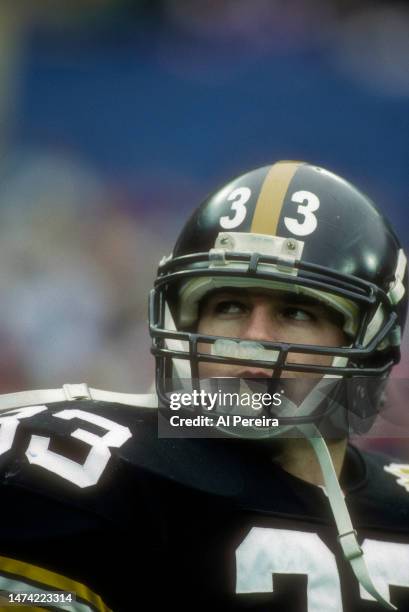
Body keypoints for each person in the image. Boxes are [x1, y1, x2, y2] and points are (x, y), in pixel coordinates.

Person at [0, 160, 408, 611]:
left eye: (296, 313)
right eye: (230, 306)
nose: (252, 340)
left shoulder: (398, 509)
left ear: (370, 343)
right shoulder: (92, 471)